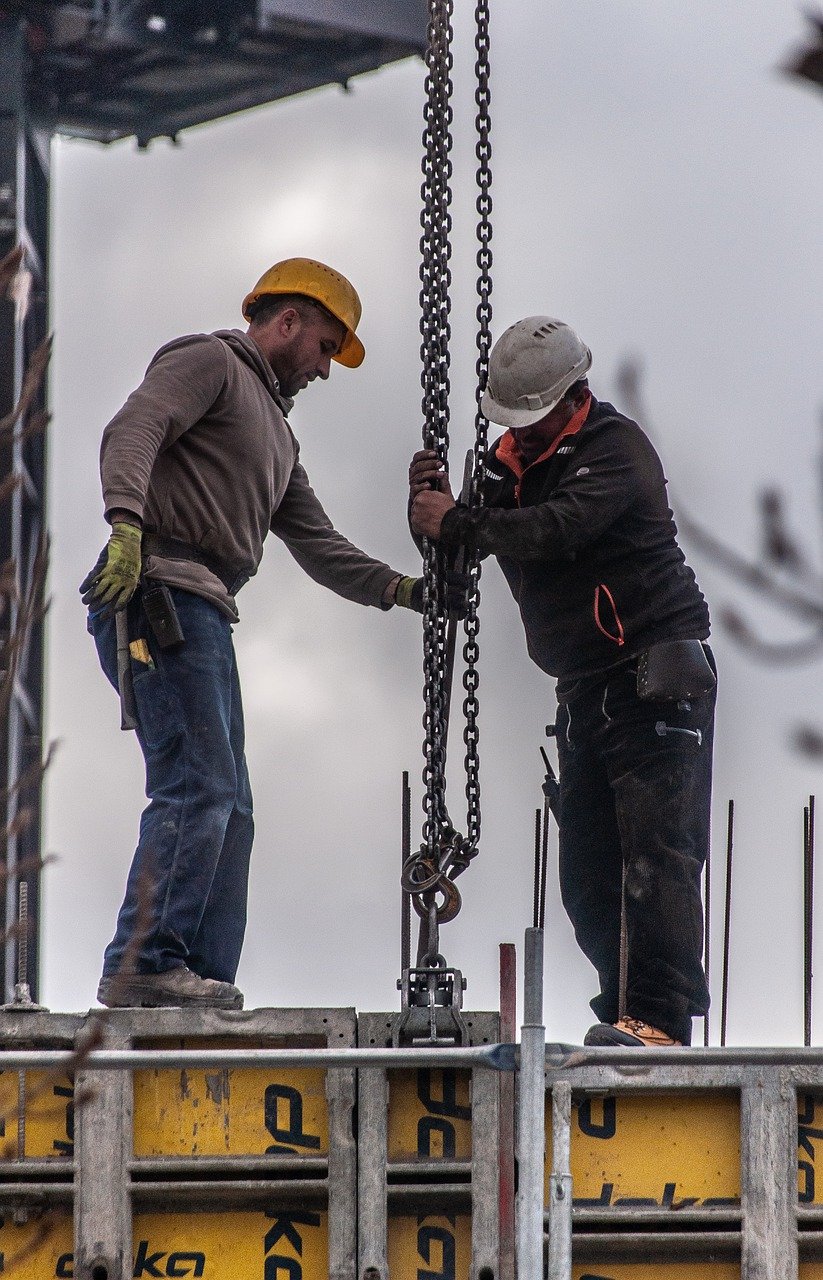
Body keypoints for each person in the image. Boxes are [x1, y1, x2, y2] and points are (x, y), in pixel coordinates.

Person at [82, 257, 428, 1010]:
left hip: (202, 608)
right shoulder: (209, 361)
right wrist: (126, 524)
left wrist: (401, 592)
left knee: (230, 801)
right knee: (197, 783)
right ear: (289, 320)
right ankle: (144, 961)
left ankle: (196, 974)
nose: (326, 370)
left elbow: (319, 544)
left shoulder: (275, 437)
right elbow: (135, 426)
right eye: (327, 348)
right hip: (157, 591)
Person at [409, 316, 716, 1048]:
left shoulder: (615, 450)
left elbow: (556, 529)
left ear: (572, 394)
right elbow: (462, 551)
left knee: (656, 856)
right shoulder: (505, 463)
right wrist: (433, 515)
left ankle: (660, 1020)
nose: (520, 433)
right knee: (586, 876)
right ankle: (623, 1009)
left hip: (654, 677)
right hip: (583, 688)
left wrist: (457, 522)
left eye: (532, 418)